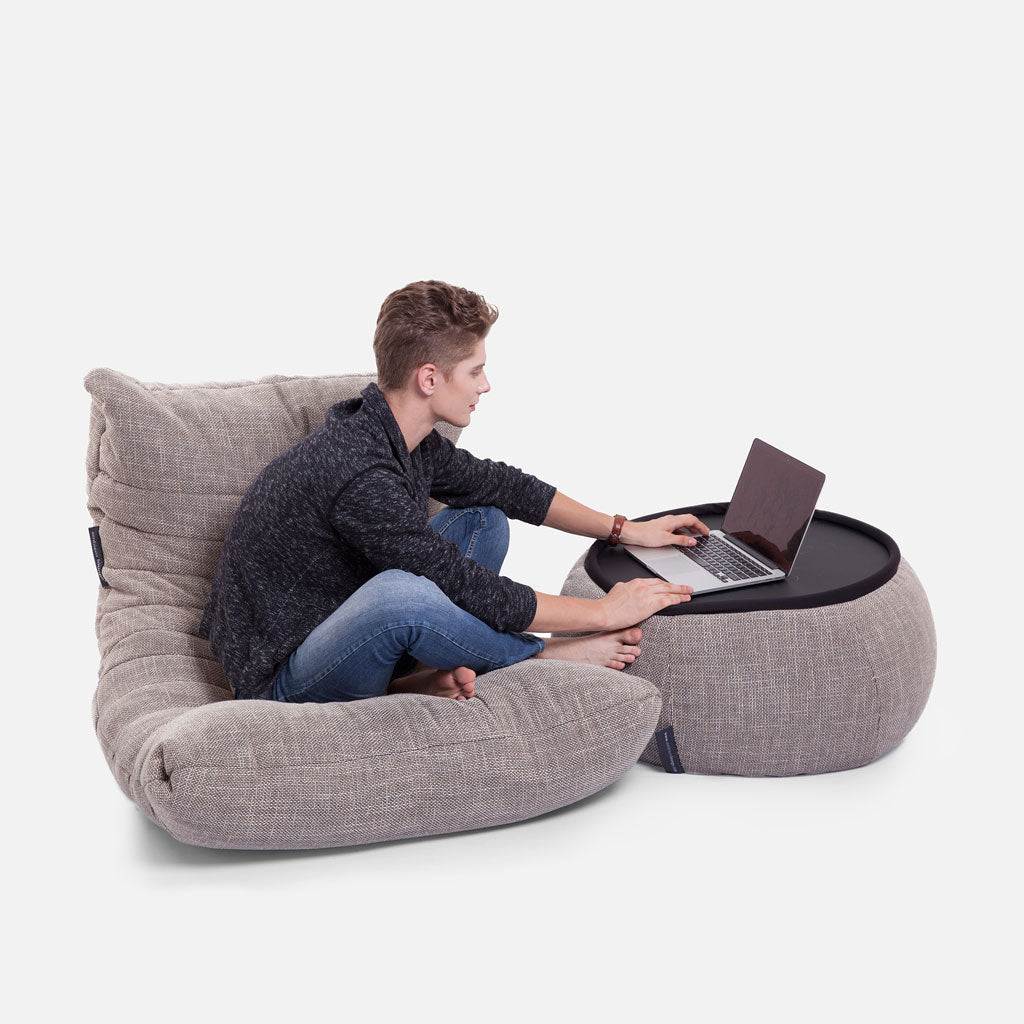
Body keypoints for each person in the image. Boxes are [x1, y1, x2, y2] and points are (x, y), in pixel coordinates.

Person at [198, 280, 709, 704]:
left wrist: (624, 529)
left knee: (483, 517)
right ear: (429, 378)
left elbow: (504, 486)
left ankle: (413, 678)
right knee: (403, 595)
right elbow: (466, 585)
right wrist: (602, 613)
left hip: (335, 618)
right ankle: (537, 655)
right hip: (284, 676)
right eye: (475, 370)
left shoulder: (401, 437)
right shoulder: (360, 473)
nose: (485, 385)